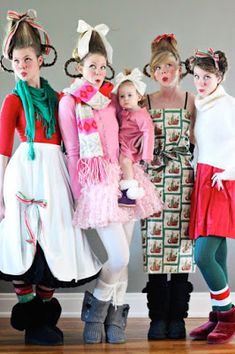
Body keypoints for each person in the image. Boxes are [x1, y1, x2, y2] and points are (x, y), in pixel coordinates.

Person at [0, 10, 101, 346]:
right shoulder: (12, 100)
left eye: (27, 58)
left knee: (56, 242)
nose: (21, 66)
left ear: (41, 58)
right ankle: (30, 316)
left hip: (54, 174)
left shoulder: (58, 98)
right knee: (26, 242)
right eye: (16, 60)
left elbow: (71, 142)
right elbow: (2, 151)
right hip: (24, 175)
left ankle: (44, 314)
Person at [59, 19, 162, 345]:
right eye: (92, 65)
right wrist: (80, 193)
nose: (99, 71)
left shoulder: (113, 97)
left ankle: (114, 315)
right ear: (79, 65)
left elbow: (128, 128)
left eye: (103, 66)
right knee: (117, 257)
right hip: (95, 183)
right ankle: (95, 307)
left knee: (126, 257)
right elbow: (73, 151)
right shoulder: (70, 101)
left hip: (123, 177)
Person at [141, 33, 195, 340]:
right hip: (154, 183)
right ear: (152, 70)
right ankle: (157, 318)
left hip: (184, 182)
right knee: (156, 253)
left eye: (171, 65)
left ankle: (178, 317)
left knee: (182, 252)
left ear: (180, 67)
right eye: (159, 67)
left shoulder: (191, 101)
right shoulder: (144, 101)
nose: (166, 72)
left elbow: (205, 139)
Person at [188, 48, 235, 345]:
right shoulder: (201, 105)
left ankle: (228, 315)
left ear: (220, 77)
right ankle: (220, 313)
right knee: (217, 254)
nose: (201, 82)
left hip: (221, 180)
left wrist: (228, 172)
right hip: (204, 178)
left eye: (207, 77)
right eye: (196, 77)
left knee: (203, 256)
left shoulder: (228, 105)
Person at [112, 68, 155, 207]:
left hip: (131, 145)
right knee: (120, 163)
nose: (125, 99)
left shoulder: (141, 114)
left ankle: (129, 193)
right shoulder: (124, 112)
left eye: (130, 95)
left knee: (125, 161)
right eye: (122, 96)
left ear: (139, 96)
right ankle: (125, 190)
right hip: (122, 142)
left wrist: (147, 154)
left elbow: (148, 132)